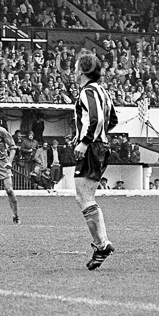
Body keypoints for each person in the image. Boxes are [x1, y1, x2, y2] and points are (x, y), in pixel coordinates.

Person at [71, 50, 118, 270]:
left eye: (75, 67)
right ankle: (102, 245)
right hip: (101, 146)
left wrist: (86, 140)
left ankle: (102, 244)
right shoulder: (103, 91)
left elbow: (96, 118)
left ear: (82, 71)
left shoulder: (86, 91)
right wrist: (94, 135)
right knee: (85, 197)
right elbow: (113, 119)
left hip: (92, 148)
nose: (73, 70)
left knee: (84, 197)